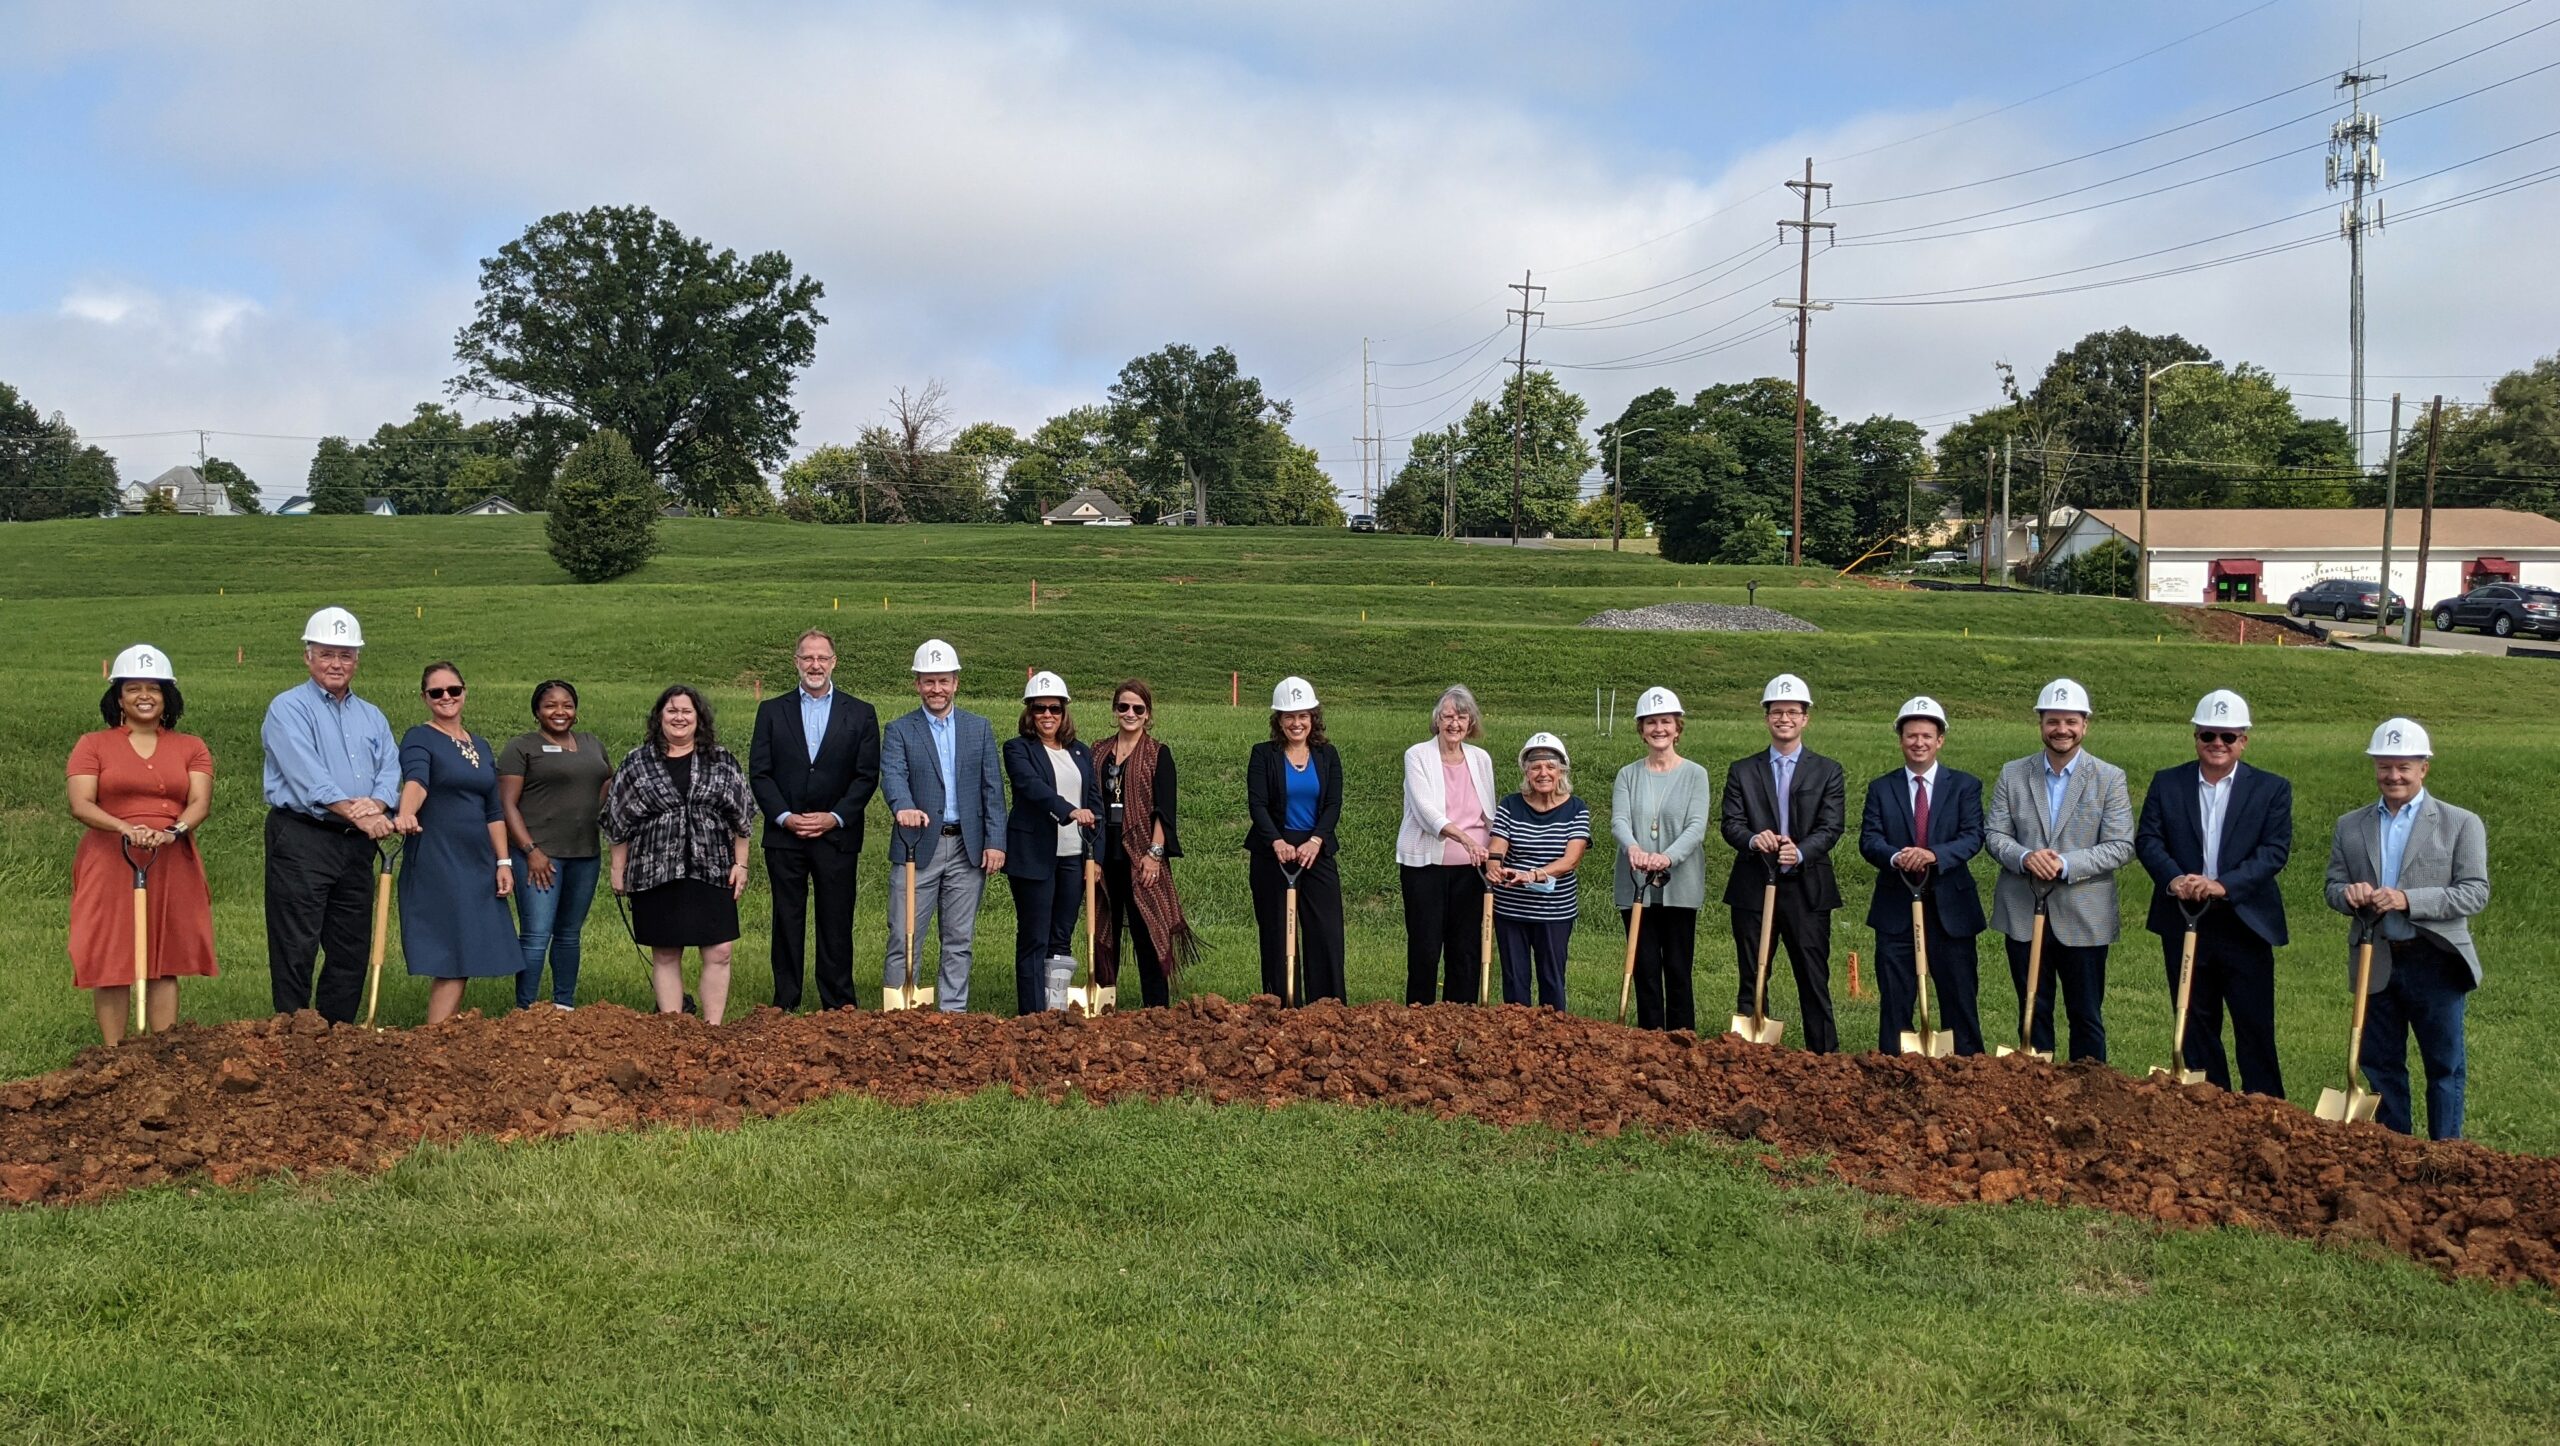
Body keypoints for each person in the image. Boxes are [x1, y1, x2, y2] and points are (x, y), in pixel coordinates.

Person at [2325, 717, 2490, 1140]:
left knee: (2444, 1065)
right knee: (2380, 1064)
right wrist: (2349, 894)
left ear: (2424, 768)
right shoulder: (2351, 825)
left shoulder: (2460, 823)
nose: (2393, 776)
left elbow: (2474, 893)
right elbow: (2332, 886)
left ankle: (2445, 1153)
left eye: (2404, 767)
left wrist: (2408, 900)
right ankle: (2394, 1151)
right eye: (2385, 766)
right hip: (2374, 957)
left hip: (2436, 959)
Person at [2135, 689, 2293, 1096]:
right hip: (2184, 917)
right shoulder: (2168, 783)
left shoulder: (2271, 789)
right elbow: (2149, 840)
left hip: (2244, 923)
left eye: (2228, 736)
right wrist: (2175, 880)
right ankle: (2210, 1106)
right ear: (2196, 738)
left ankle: (2265, 1109)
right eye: (2208, 735)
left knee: (2254, 1026)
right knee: (2194, 1022)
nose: (2217, 744)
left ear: (2244, 740)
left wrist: (2224, 885)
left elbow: (2274, 851)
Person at [65, 644, 216, 1043]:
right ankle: (114, 1055)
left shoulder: (191, 747)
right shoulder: (92, 744)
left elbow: (200, 801)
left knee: (164, 959)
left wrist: (173, 832)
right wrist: (125, 828)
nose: (144, 696)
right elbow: (81, 803)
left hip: (171, 857)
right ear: (118, 696)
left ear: (168, 696)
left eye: (154, 687)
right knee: (111, 955)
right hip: (111, 857)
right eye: (133, 688)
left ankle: (160, 1054)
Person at [261, 606, 401, 1023]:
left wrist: (376, 805)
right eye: (326, 654)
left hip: (355, 843)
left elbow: (390, 769)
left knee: (350, 943)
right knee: (296, 940)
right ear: (308, 657)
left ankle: (337, 1034)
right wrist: (359, 813)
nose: (336, 664)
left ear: (357, 660)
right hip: (304, 836)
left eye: (345, 655)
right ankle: (293, 1030)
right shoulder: (287, 709)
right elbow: (309, 778)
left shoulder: (371, 715)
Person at [1984, 678, 2134, 1063]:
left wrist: (2065, 864)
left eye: (2070, 721)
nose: (2061, 730)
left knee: (2086, 1014)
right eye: (2053, 721)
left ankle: (2090, 1092)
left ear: (2085, 724)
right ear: (2040, 724)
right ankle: (2037, 1091)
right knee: (2033, 1008)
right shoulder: (2013, 774)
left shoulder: (2108, 778)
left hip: (2084, 913)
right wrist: (2024, 857)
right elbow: (1995, 833)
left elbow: (2120, 845)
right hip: (2023, 908)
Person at [748, 629, 880, 1011]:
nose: (815, 665)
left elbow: (865, 775)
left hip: (836, 836)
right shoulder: (772, 710)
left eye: (822, 657)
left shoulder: (860, 712)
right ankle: (785, 1000)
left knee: (836, 921)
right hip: (785, 837)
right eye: (807, 658)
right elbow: (760, 772)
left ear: (834, 662)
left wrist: (835, 816)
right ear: (796, 662)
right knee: (786, 920)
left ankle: (837, 1002)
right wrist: (785, 817)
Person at [607, 686, 754, 1023]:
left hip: (713, 867)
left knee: (720, 950)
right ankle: (673, 1029)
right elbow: (617, 818)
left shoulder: (721, 759)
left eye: (687, 711)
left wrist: (741, 863)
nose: (679, 718)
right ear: (660, 717)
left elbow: (742, 818)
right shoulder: (637, 762)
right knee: (666, 951)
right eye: (672, 711)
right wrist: (618, 868)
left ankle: (712, 1028)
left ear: (699, 718)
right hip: (654, 868)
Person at [1717, 673, 1845, 1053]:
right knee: (1753, 974)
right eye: (1776, 711)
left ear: (1805, 718)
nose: (1784, 718)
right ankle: (1750, 1054)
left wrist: (1801, 850)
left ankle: (1824, 1054)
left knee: (1813, 976)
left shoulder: (1827, 771)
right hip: (1754, 886)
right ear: (1766, 717)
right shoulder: (1743, 770)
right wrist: (1755, 840)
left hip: (1806, 889)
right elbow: (1731, 823)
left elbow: (1832, 825)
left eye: (1792, 711)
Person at [1856, 697, 1987, 1055]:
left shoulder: (1964, 786)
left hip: (1952, 911)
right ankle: (1893, 1069)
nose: (1919, 743)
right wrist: (1899, 856)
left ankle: (1969, 1071)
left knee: (1959, 997)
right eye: (1911, 735)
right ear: (1901, 739)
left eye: (1927, 736)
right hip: (1896, 909)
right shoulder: (1882, 788)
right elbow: (1869, 840)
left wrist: (1933, 855)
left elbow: (1973, 835)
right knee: (1896, 999)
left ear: (1940, 739)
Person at [391, 662, 521, 1024]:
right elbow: (416, 780)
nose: (446, 697)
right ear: (424, 698)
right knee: (452, 950)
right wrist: (406, 813)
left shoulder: (478, 744)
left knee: (466, 951)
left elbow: (493, 809)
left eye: (453, 690)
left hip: (478, 860)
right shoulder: (420, 737)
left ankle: (441, 1037)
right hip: (440, 857)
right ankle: (434, 1039)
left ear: (465, 692)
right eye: (436, 692)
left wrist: (503, 862)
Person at [880, 640, 1006, 1011]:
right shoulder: (900, 730)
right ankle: (901, 1012)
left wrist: (995, 841)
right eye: (929, 681)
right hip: (916, 847)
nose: (937, 689)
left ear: (956, 683)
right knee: (905, 936)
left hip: (967, 848)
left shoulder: (978, 728)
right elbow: (893, 774)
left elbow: (992, 788)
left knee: (959, 938)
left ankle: (953, 1014)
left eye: (944, 681)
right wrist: (903, 805)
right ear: (917, 684)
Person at [497, 680, 611, 1011]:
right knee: (536, 935)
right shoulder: (521, 747)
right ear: (537, 711)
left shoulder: (592, 743)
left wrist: (590, 810)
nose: (559, 712)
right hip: (539, 856)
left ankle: (564, 1006)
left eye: (567, 705)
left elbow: (607, 780)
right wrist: (531, 851)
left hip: (585, 855)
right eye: (550, 705)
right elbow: (506, 805)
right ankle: (526, 1009)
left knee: (569, 934)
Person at [1092, 678, 1200, 1009]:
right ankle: (1102, 1005)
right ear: (1114, 710)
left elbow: (1164, 810)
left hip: (1141, 858)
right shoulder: (1097, 751)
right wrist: (1091, 857)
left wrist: (1154, 854)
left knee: (1147, 933)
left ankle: (1156, 1010)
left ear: (1148, 714)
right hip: (1104, 855)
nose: (1130, 713)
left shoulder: (1158, 754)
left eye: (1138, 708)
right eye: (1123, 706)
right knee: (1103, 932)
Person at [1611, 687, 1711, 1032]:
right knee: (1645, 968)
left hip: (1679, 887)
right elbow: (1620, 820)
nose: (1659, 729)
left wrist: (1668, 858)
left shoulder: (1695, 774)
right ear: (1641, 729)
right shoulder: (1628, 774)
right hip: (1636, 884)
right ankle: (1649, 1039)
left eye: (1665, 721)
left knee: (1679, 970)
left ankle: (1683, 1040)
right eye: (1651, 722)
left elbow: (1696, 827)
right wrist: (1633, 849)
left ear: (1677, 727)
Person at [1246, 676, 1345, 1005]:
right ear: (1279, 720)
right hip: (1273, 851)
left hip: (1316, 850)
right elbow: (1257, 804)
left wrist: (1316, 840)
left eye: (1303, 716)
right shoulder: (1263, 755)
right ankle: (1283, 1005)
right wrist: (1276, 842)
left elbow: (1333, 804)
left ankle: (1327, 1007)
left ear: (1313, 718)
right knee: (1277, 933)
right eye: (1289, 716)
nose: (1296, 723)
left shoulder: (1327, 755)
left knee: (1326, 932)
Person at [1002, 671, 1096, 1012]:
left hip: (1073, 857)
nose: (1047, 715)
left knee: (1061, 936)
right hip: (1034, 856)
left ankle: (1054, 1007)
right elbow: (1031, 788)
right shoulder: (1018, 749)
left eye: (1054, 709)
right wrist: (1069, 810)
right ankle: (1030, 1013)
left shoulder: (1081, 753)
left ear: (1064, 712)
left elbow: (1094, 802)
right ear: (1029, 712)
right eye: (1039, 708)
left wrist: (1094, 856)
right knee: (1034, 937)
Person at [1396, 685, 1497, 1004]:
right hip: (1426, 867)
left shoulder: (1480, 758)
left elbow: (1489, 811)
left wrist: (1492, 854)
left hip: (1471, 869)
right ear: (1437, 720)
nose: (1455, 723)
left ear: (1471, 723)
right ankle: (1419, 1014)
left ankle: (1461, 1015)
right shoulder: (1417, 755)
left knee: (1465, 947)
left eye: (1462, 717)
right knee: (1425, 947)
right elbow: (1426, 812)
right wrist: (1465, 839)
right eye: (1448, 716)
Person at [1486, 732, 1589, 1010]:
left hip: (1554, 912)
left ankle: (1553, 1039)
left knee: (1552, 979)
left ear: (1561, 771)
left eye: (1550, 766)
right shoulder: (1510, 804)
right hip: (1512, 910)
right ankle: (1519, 1042)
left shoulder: (1576, 808)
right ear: (1526, 772)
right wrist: (1494, 866)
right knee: (1514, 980)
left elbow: (1571, 860)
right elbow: (1497, 847)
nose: (1543, 773)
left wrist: (1532, 875)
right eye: (1535, 766)